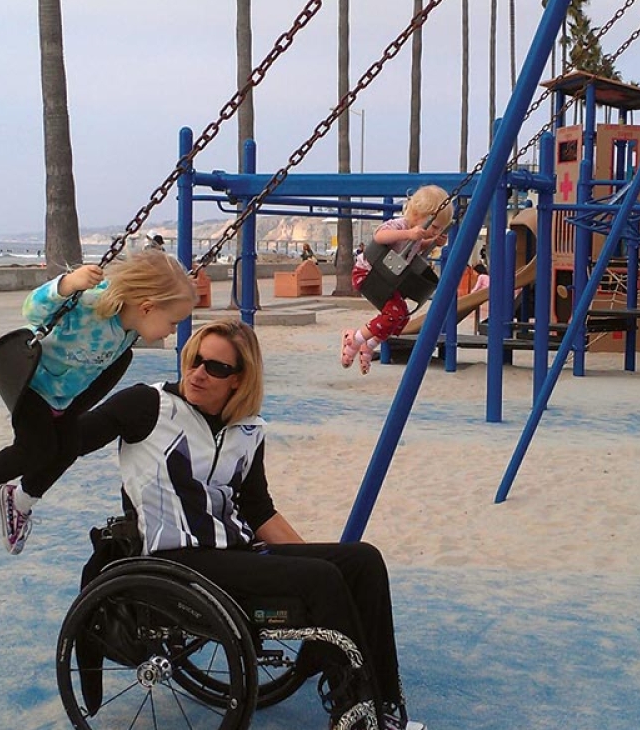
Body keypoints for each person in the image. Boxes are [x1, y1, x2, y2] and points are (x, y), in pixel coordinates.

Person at [76, 320, 426, 730]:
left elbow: (258, 511)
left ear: (238, 380)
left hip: (233, 553)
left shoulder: (247, 430)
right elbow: (75, 440)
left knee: (363, 561)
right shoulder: (148, 406)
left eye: (215, 367)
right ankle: (352, 711)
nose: (198, 373)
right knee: (322, 578)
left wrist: (304, 559)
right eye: (194, 360)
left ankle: (383, 699)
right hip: (176, 559)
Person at [0, 249, 197, 555]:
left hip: (64, 398)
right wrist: (67, 285)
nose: (174, 329)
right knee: (36, 448)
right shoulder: (91, 304)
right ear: (147, 307)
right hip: (32, 383)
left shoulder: (129, 333)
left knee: (68, 448)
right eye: (173, 322)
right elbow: (32, 310)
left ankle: (19, 501)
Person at [340, 185, 454, 375]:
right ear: (417, 214)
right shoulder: (400, 225)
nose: (436, 232)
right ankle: (354, 339)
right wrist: (409, 234)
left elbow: (416, 247)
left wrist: (433, 241)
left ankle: (370, 344)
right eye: (434, 227)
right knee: (394, 313)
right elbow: (380, 236)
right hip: (368, 273)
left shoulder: (417, 235)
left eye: (440, 229)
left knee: (402, 317)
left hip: (387, 278)